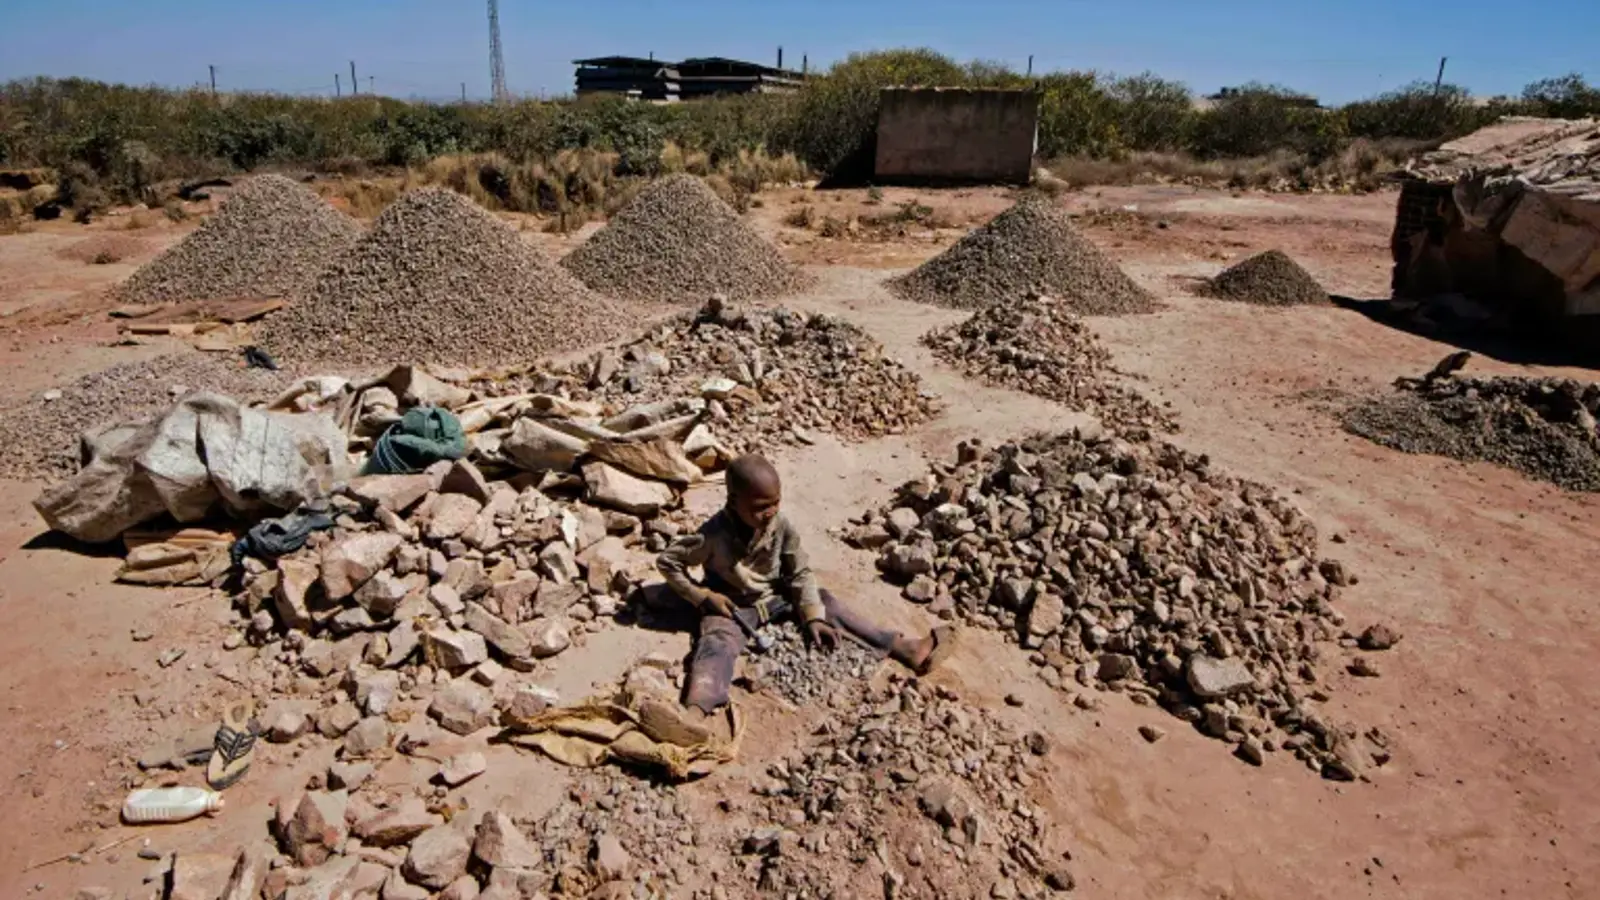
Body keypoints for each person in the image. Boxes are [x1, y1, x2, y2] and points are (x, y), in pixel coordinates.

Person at [657, 453, 954, 713]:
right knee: (715, 646)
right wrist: (703, 597)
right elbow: (668, 562)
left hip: (776, 596)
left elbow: (799, 572)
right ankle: (695, 711)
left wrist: (812, 616)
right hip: (732, 606)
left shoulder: (780, 526)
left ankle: (905, 648)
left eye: (776, 502)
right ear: (733, 501)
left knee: (826, 602)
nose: (770, 512)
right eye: (760, 506)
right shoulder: (712, 535)